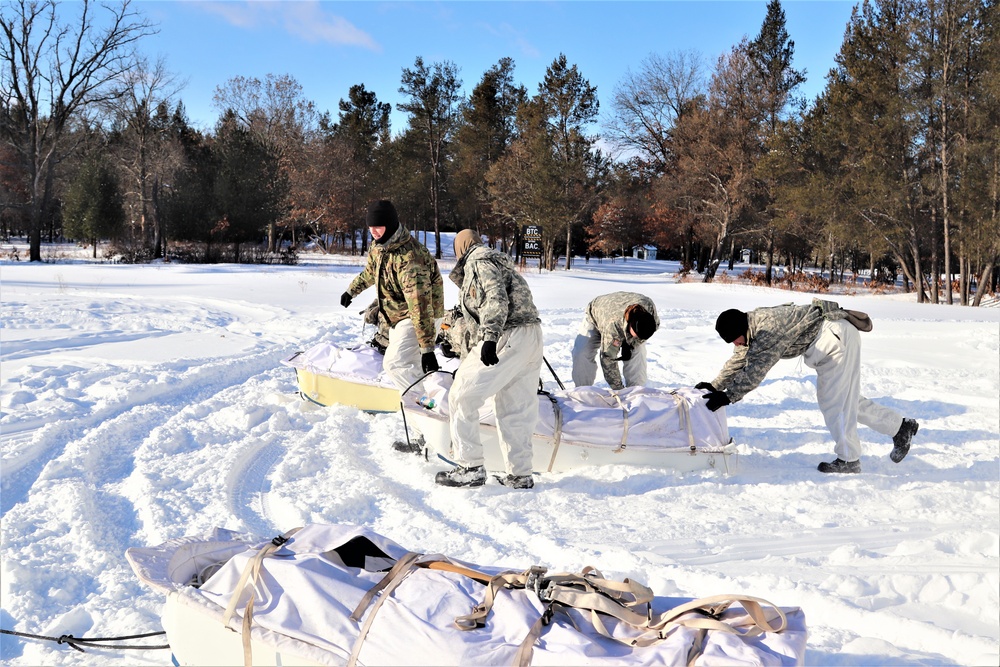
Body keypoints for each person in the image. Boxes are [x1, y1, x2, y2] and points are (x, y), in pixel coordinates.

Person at [698, 301, 919, 474]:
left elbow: (756, 370)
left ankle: (849, 460)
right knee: (845, 400)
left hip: (833, 341)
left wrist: (729, 397)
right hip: (833, 339)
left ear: (740, 329)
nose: (735, 345)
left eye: (734, 340)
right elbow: (739, 359)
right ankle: (900, 427)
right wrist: (715, 386)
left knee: (836, 403)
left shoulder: (768, 330)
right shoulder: (751, 326)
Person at [435, 229, 544, 489]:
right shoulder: (497, 259)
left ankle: (469, 467)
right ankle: (520, 475)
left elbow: (495, 298)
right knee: (515, 406)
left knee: (462, 395)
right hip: (531, 335)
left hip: (506, 334)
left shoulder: (478, 261)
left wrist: (491, 339)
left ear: (461, 248)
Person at [340, 200, 444, 451]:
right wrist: (350, 291)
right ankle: (425, 432)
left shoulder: (410, 257)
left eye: (379, 226)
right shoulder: (379, 247)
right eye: (371, 227)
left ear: (391, 224)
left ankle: (428, 409)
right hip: (400, 317)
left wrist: (428, 348)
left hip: (422, 316)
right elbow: (369, 273)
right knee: (410, 371)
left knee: (394, 364)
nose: (374, 231)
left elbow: (420, 305)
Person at [571, 292, 659, 390]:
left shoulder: (650, 309)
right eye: (636, 336)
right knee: (582, 352)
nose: (638, 339)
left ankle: (636, 391)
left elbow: (646, 333)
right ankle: (583, 390)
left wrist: (631, 344)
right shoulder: (612, 325)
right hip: (596, 315)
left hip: (618, 310)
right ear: (630, 325)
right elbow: (608, 359)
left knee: (638, 352)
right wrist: (618, 389)